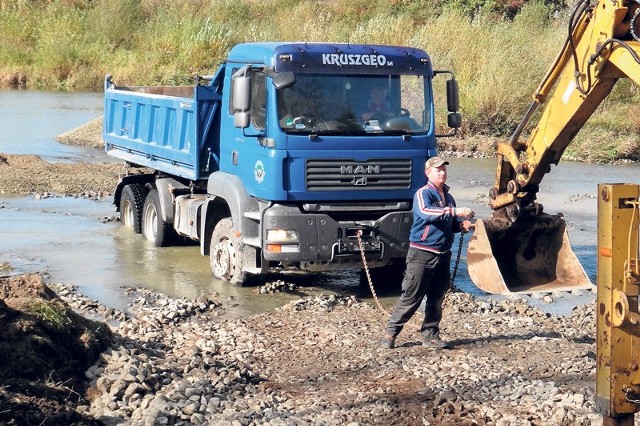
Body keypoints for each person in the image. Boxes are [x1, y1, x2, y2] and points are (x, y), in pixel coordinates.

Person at [381, 156, 474, 350]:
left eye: (444, 170)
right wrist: (456, 212)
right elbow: (426, 213)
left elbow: (448, 224)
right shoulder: (423, 194)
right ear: (428, 173)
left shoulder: (448, 197)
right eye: (437, 170)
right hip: (421, 253)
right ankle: (391, 332)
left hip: (443, 253)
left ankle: (431, 335)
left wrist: (461, 225)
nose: (442, 172)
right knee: (411, 296)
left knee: (437, 296)